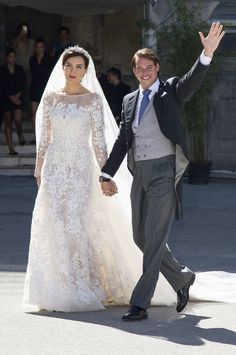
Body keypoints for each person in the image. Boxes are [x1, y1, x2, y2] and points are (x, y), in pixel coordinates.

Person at [100, 22, 225, 321]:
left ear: (157, 67)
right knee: (140, 237)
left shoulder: (170, 91)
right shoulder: (129, 100)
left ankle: (140, 303)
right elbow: (122, 140)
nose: (144, 71)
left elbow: (192, 81)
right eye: (138, 67)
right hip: (138, 173)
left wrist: (206, 54)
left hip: (164, 172)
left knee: (154, 239)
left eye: (149, 66)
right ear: (134, 71)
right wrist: (106, 173)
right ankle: (182, 278)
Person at [0, 48, 26, 155]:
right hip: (6, 98)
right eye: (10, 56)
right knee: (8, 122)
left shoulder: (20, 69)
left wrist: (17, 96)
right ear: (6, 58)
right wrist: (10, 97)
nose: (12, 59)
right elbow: (1, 86)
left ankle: (20, 132)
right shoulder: (2, 70)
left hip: (18, 97)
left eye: (14, 57)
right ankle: (11, 148)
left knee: (18, 119)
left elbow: (23, 84)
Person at [29, 38, 53, 141]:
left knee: (45, 113)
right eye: (37, 47)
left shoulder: (49, 59)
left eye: (41, 47)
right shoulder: (32, 59)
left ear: (44, 48)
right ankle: (36, 136)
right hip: (35, 87)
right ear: (35, 48)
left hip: (45, 88)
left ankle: (44, 136)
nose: (39, 49)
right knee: (34, 113)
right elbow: (33, 73)